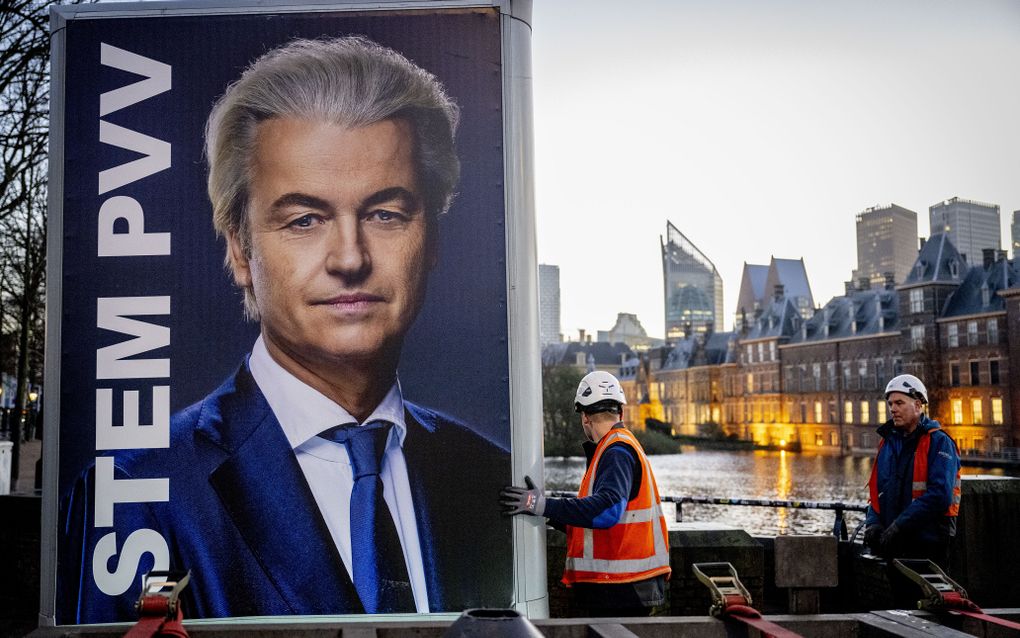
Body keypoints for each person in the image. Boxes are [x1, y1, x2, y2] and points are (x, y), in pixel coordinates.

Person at [61, 36, 510, 623]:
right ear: (239, 250)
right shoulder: (137, 491)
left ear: (432, 240)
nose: (349, 257)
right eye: (304, 219)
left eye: (385, 214)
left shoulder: (488, 475)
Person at [500, 371, 671, 617]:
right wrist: (547, 511)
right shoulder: (619, 446)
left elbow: (607, 512)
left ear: (585, 417)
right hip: (626, 587)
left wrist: (543, 505)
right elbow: (596, 522)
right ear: (620, 412)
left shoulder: (616, 452)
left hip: (620, 590)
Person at [864, 374, 961, 571]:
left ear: (918, 406)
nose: (893, 409)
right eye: (890, 403)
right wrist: (873, 523)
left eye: (899, 403)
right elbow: (878, 492)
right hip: (894, 544)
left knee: (925, 600)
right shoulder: (888, 443)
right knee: (900, 600)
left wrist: (899, 525)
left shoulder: (939, 442)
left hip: (928, 544)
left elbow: (940, 495)